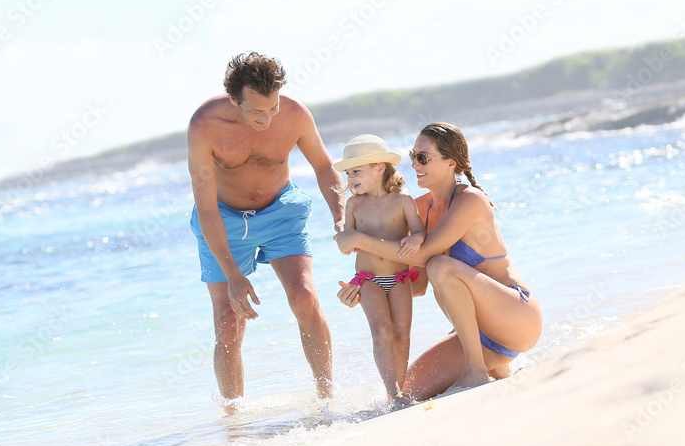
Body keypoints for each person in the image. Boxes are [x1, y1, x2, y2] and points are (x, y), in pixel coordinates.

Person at [335, 122, 542, 400]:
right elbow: (417, 284)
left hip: (516, 318)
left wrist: (358, 239)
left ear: (450, 163)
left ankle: (476, 370)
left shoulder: (471, 200)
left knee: (439, 265)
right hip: (478, 336)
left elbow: (424, 257)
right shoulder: (418, 208)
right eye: (412, 156)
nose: (414, 164)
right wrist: (364, 287)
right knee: (411, 391)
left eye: (423, 158)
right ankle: (495, 367)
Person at [188, 51, 345, 402]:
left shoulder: (294, 115)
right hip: (223, 217)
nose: (267, 118)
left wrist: (340, 216)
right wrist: (233, 275)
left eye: (272, 107)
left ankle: (327, 400)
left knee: (304, 297)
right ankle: (234, 421)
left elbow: (324, 167)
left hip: (280, 211)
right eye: (256, 111)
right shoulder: (205, 126)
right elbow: (206, 208)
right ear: (234, 99)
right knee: (229, 325)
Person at [333, 134, 426, 404]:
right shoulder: (354, 204)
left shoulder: (403, 200)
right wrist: (342, 240)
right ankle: (392, 392)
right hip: (368, 279)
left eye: (356, 172)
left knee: (401, 333)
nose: (350, 179)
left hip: (399, 278)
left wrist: (416, 238)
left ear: (380, 167)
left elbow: (420, 233)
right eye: (348, 174)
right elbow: (346, 238)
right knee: (381, 332)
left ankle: (400, 388)